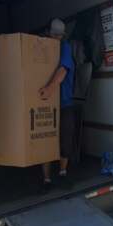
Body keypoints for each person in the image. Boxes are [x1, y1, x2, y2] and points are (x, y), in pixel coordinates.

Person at [39, 17, 75, 189]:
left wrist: (50, 87)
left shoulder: (65, 48)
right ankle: (46, 179)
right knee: (45, 140)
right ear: (48, 33)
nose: (56, 39)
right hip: (44, 104)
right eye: (54, 35)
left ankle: (62, 173)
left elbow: (63, 70)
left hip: (64, 102)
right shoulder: (41, 46)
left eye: (59, 36)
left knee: (65, 140)